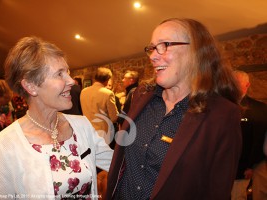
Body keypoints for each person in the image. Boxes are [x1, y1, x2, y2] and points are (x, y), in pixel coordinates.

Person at [106, 18, 242, 200]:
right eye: (152, 48)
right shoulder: (142, 96)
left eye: (164, 45)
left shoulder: (222, 115)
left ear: (195, 52)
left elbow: (217, 190)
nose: (153, 55)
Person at [0, 36, 113, 199]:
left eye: (67, 71)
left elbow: (118, 163)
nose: (71, 81)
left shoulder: (82, 126)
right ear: (31, 86)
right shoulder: (4, 146)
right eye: (59, 74)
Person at [231, 70, 267, 200]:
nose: (233, 86)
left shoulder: (258, 109)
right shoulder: (221, 106)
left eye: (237, 83)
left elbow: (259, 141)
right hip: (223, 167)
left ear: (247, 85)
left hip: (242, 168)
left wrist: (250, 166)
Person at [80, 67, 119, 146]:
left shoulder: (84, 91)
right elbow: (114, 117)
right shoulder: (108, 93)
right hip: (102, 133)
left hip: (86, 131)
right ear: (107, 79)